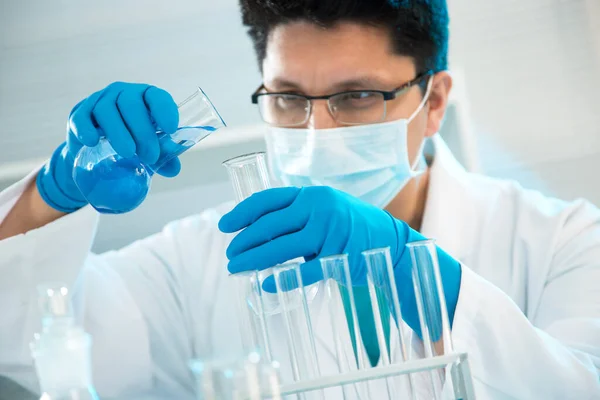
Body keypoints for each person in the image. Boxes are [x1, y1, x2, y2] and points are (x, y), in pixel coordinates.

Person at [0, 0, 599, 398]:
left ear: (434, 100)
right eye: (287, 98)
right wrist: (54, 194)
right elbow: (46, 343)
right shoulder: (203, 257)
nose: (318, 133)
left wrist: (423, 278)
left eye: (357, 95)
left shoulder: (562, 240)